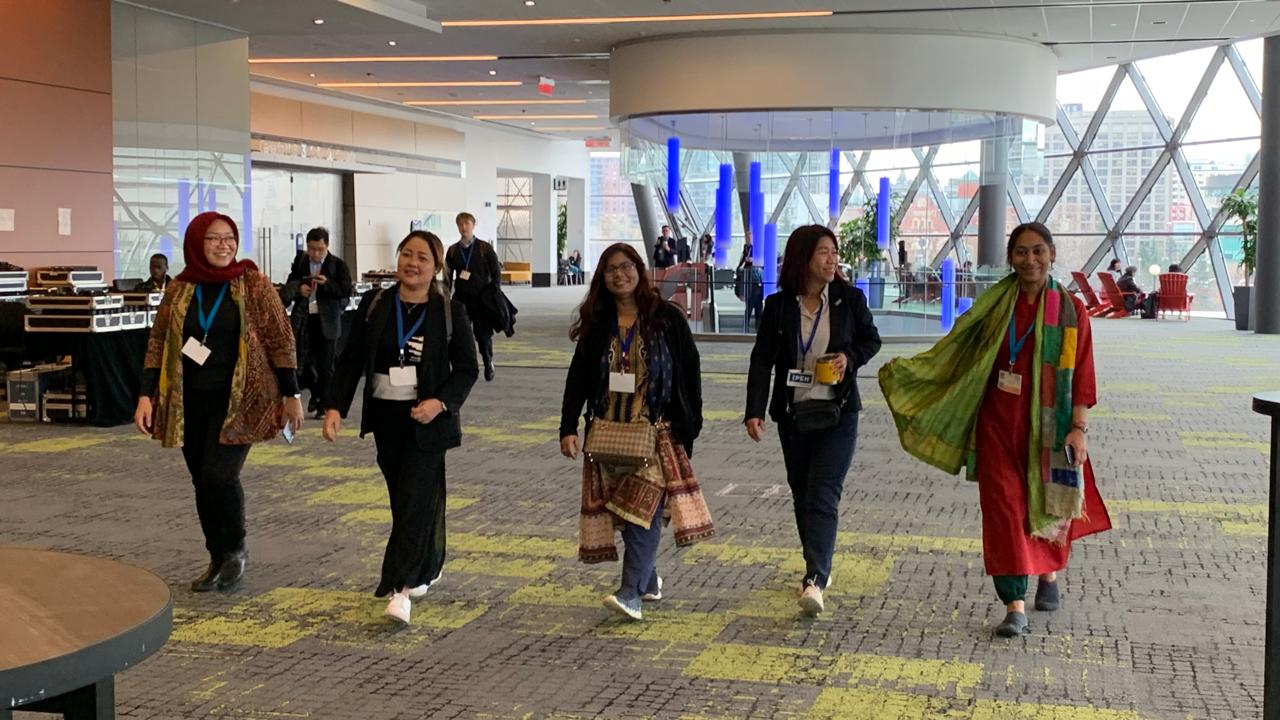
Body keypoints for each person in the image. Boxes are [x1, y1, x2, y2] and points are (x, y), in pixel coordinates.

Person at [879, 221, 1112, 638]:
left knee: (1049, 501)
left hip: (1051, 427)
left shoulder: (1073, 311)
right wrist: (916, 373)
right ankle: (1014, 603)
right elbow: (956, 350)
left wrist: (1079, 428)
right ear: (1010, 258)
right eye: (1021, 252)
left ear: (1053, 254)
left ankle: (1049, 574)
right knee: (1004, 510)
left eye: (1038, 251)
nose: (1030, 260)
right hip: (998, 425)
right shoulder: (992, 305)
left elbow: (1082, 375)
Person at [134, 212, 303, 593]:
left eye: (229, 237)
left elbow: (281, 339)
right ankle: (216, 554)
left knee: (219, 475)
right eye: (213, 238)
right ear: (196, 242)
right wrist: (146, 395)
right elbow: (158, 343)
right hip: (189, 402)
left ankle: (235, 549)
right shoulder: (179, 289)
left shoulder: (253, 283)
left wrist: (292, 394)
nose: (224, 245)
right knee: (201, 480)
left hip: (242, 400)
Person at [323, 231, 478, 624]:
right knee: (406, 502)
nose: (412, 263)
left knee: (413, 502)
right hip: (387, 421)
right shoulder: (376, 304)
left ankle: (400, 590)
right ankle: (427, 563)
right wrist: (335, 407)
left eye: (422, 257)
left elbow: (466, 369)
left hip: (427, 423)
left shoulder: (448, 311)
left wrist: (439, 403)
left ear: (436, 267)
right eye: (406, 254)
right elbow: (351, 359)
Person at [559, 242, 714, 621]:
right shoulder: (598, 322)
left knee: (640, 511)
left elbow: (689, 372)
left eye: (626, 266)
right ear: (602, 277)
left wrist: (690, 424)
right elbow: (578, 377)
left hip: (656, 432)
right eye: (611, 268)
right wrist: (568, 427)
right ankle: (648, 579)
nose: (619, 274)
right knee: (625, 513)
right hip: (608, 433)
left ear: (639, 270)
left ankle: (630, 593)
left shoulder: (666, 318)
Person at [744, 224, 882, 616]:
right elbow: (762, 360)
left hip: (838, 413)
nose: (831, 259)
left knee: (823, 492)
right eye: (824, 251)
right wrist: (754, 411)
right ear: (804, 257)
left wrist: (848, 359)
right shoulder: (779, 306)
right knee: (803, 493)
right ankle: (818, 562)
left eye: (834, 252)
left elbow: (871, 340)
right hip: (794, 414)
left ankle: (815, 578)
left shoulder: (848, 299)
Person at [286, 227, 353, 418]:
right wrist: (300, 289)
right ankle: (316, 394)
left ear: (327, 247)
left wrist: (327, 284)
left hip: (328, 321)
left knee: (326, 365)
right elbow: (291, 283)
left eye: (320, 249)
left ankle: (325, 403)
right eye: (312, 249)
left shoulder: (337, 265)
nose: (315, 253)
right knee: (304, 363)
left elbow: (346, 291)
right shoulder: (300, 262)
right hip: (305, 319)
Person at [445, 212, 501, 381]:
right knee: (458, 333)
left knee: (483, 335)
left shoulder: (485, 248)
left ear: (473, 224)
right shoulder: (453, 251)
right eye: (460, 224)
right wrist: (446, 295)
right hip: (461, 299)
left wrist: (494, 292)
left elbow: (496, 272)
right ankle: (462, 365)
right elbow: (448, 276)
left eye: (466, 224)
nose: (464, 227)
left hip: (482, 299)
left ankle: (487, 360)